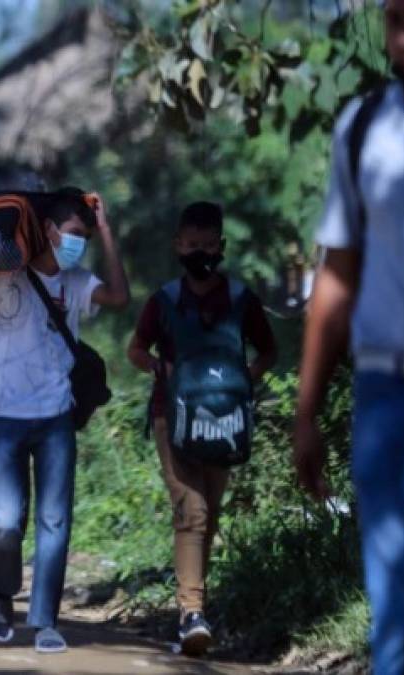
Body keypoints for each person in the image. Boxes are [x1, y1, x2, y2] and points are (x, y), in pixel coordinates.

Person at [293, 1, 404, 672]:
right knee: (402, 628)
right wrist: (305, 412)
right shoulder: (365, 127)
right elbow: (336, 275)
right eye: (393, 20)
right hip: (393, 397)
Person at [0, 189, 129, 653]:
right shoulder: (5, 274)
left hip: (55, 418)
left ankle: (45, 621)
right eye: (73, 234)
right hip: (4, 418)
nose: (78, 243)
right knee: (5, 522)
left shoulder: (77, 280)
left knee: (54, 521)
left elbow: (120, 297)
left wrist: (106, 229)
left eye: (84, 236)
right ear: (47, 230)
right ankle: (0, 594)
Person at [126, 201, 277, 656]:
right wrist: (161, 369)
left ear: (222, 247)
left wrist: (237, 382)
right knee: (191, 510)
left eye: (209, 245)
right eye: (192, 245)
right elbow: (136, 349)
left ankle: (195, 608)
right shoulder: (164, 300)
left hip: (225, 422)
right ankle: (191, 612)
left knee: (208, 513)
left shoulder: (240, 300)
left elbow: (268, 351)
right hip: (170, 418)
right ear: (178, 246)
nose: (200, 253)